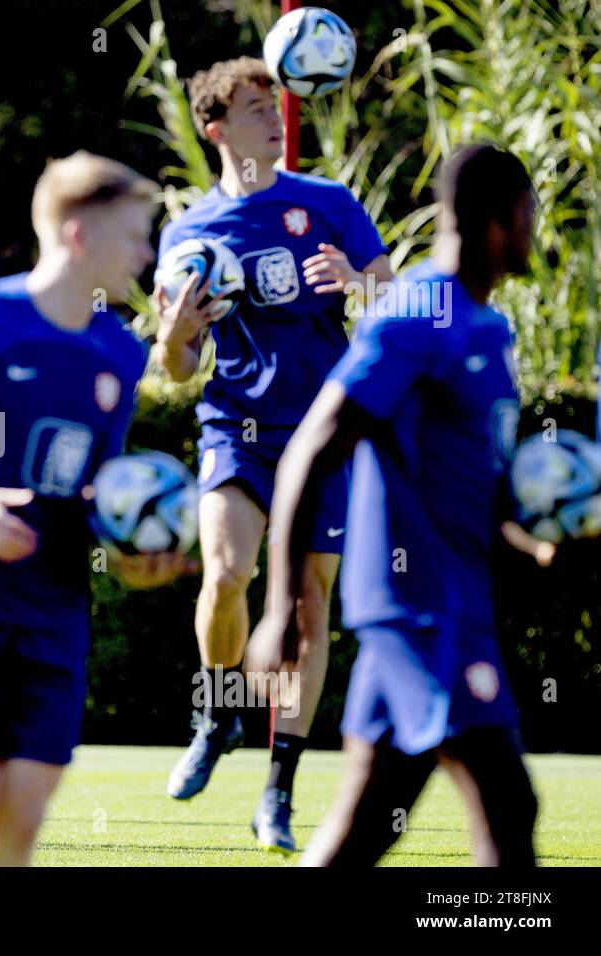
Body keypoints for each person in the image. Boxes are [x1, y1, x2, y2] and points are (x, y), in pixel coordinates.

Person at [247, 144, 540, 866]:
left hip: (447, 606)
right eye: (531, 212)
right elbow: (311, 450)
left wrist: (540, 546)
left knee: (368, 823)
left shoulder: (488, 328)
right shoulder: (416, 316)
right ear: (502, 218)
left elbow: (467, 488)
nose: (535, 228)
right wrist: (283, 608)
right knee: (509, 807)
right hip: (421, 610)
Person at [0, 152, 191, 865]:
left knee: (17, 834)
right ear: (76, 236)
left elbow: (100, 491)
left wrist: (137, 555)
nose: (145, 253)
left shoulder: (117, 356)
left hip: (55, 616)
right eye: (133, 235)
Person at [152, 56, 393, 852]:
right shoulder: (188, 232)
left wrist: (356, 280)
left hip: (325, 430)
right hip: (237, 426)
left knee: (306, 609)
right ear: (216, 129)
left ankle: (279, 788)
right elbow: (178, 368)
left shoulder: (325, 202)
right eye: (256, 109)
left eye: (276, 105)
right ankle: (218, 711)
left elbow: (392, 294)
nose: (274, 118)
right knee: (226, 573)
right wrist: (178, 333)